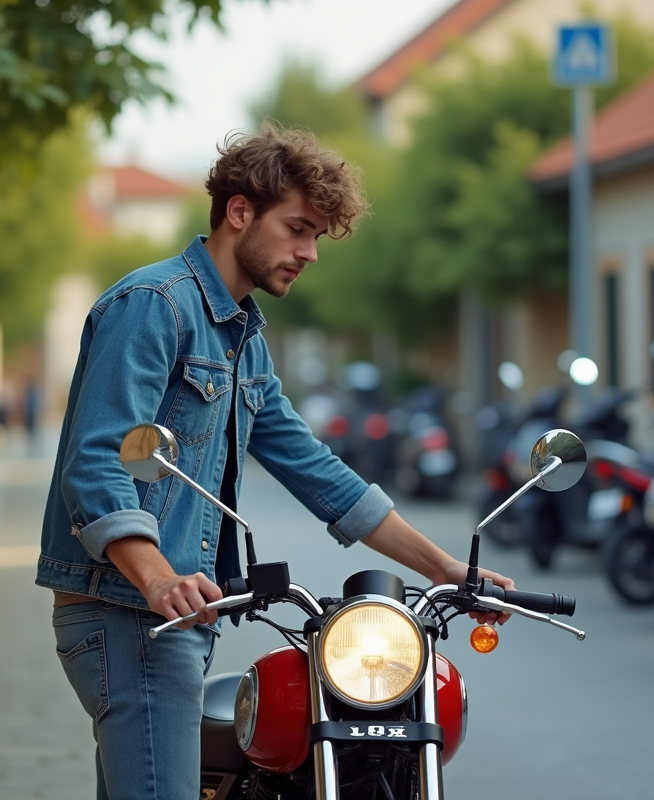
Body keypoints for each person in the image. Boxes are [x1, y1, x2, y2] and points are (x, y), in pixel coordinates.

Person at [37, 125, 516, 800]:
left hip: (171, 621)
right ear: (239, 212)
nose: (310, 253)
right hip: (130, 617)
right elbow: (99, 461)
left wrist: (445, 570)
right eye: (298, 229)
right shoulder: (154, 306)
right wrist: (158, 579)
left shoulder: (242, 339)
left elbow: (315, 469)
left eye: (317, 236)